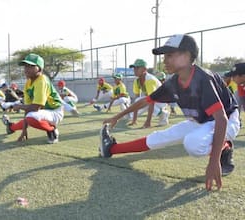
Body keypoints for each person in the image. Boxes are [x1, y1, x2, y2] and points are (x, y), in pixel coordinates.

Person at [99, 34, 240, 191]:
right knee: (159, 138)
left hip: (227, 120)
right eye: (164, 55)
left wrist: (213, 162)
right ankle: (111, 148)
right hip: (200, 120)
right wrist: (116, 117)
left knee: (193, 143)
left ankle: (225, 149)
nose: (164, 60)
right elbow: (146, 100)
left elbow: (221, 119)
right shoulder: (174, 82)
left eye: (170, 55)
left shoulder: (203, 78)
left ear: (187, 56)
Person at [1, 53, 64, 144]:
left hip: (55, 111)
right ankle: (11, 127)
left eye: (30, 66)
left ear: (39, 68)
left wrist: (19, 107)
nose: (26, 69)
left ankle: (52, 130)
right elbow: (28, 110)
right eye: (25, 66)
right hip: (44, 112)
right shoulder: (28, 83)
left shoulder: (42, 80)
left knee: (32, 117)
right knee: (30, 117)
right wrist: (24, 131)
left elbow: (35, 107)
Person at [128, 59, 169, 127]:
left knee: (147, 101)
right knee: (138, 102)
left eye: (137, 68)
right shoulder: (137, 81)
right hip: (153, 99)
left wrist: (148, 121)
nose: (135, 70)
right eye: (134, 68)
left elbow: (151, 101)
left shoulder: (149, 80)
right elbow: (137, 100)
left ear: (144, 69)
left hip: (162, 101)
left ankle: (163, 114)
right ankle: (162, 113)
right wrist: (134, 120)